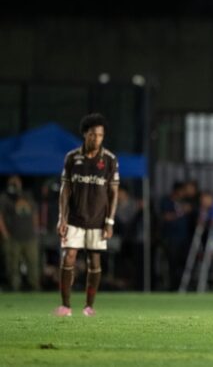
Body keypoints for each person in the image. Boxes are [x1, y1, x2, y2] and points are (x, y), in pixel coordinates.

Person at [55, 113, 120, 317]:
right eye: (92, 135)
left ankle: (89, 306)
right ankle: (66, 306)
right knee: (69, 257)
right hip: (74, 217)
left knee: (95, 261)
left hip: (98, 220)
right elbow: (65, 190)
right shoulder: (72, 158)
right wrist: (62, 218)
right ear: (85, 134)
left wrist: (110, 221)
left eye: (100, 135)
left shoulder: (109, 160)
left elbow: (114, 192)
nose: (96, 139)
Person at [0, 176, 41, 291]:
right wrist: (5, 234)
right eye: (12, 182)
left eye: (16, 181)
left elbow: (34, 213)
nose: (14, 184)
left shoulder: (27, 195)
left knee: (33, 263)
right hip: (13, 236)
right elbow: (0, 216)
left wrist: (36, 229)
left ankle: (35, 287)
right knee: (13, 265)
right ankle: (14, 288)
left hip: (30, 236)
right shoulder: (5, 197)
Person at [159, 181, 190, 290]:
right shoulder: (167, 201)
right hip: (171, 238)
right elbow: (166, 217)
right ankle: (173, 287)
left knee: (184, 263)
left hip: (184, 238)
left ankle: (183, 286)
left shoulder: (184, 201)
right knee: (173, 263)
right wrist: (181, 212)